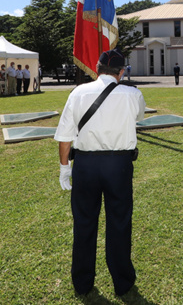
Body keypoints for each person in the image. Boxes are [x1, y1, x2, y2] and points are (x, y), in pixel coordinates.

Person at [54, 50, 145, 298]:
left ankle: (82, 282)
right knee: (119, 222)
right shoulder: (133, 94)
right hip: (119, 165)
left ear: (96, 69)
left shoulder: (78, 93)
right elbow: (139, 116)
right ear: (121, 71)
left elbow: (64, 136)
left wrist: (64, 168)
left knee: (84, 222)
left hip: (86, 164)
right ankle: (122, 282)